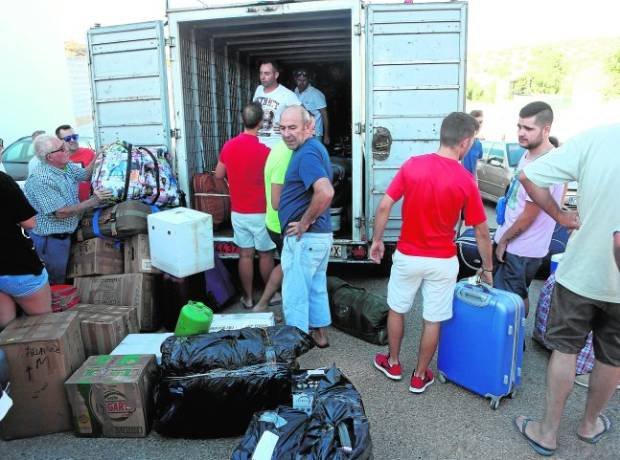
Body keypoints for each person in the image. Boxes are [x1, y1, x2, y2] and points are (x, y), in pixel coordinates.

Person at [513, 123, 620, 456]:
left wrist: (560, 214)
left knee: (565, 349)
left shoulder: (598, 138)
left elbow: (529, 176)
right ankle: (590, 424)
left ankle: (547, 432)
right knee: (612, 356)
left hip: (581, 272)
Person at [371, 112, 493, 394]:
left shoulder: (413, 166)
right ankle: (419, 375)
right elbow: (482, 231)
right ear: (464, 142)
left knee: (397, 309)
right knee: (432, 319)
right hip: (442, 261)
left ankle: (393, 362)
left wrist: (377, 240)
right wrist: (487, 269)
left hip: (408, 255)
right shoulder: (465, 180)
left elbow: (384, 206)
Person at [493, 102, 563, 318]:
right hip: (515, 241)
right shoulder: (529, 154)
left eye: (529, 129)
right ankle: (511, 342)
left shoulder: (546, 165)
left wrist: (504, 241)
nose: (521, 133)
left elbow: (530, 215)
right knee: (514, 294)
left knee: (510, 301)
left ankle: (513, 345)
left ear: (546, 129)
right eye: (519, 126)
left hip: (522, 247)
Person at [278, 106, 334, 348]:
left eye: (292, 127)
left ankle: (294, 346)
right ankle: (320, 335)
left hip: (306, 239)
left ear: (309, 127)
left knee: (295, 295)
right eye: (282, 128)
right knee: (315, 288)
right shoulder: (310, 148)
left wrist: (304, 222)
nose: (287, 133)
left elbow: (325, 191)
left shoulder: (307, 154)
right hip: (318, 238)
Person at [24, 135, 111, 284]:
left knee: (66, 276)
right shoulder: (41, 179)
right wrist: (93, 201)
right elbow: (60, 213)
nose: (68, 149)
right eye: (62, 148)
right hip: (51, 241)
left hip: (66, 234)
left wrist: (99, 155)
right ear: (50, 157)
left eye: (64, 145)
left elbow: (85, 174)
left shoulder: (65, 165)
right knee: (55, 281)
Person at [215, 102, 276, 308]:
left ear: (243, 120)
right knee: (266, 254)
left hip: (238, 211)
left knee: (245, 255)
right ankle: (271, 295)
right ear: (260, 123)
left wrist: (231, 187)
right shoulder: (266, 151)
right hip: (261, 211)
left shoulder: (229, 146)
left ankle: (248, 298)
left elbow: (218, 175)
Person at [0, 170, 52, 329]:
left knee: (8, 331)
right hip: (16, 264)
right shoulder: (2, 181)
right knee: (45, 326)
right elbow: (29, 223)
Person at [252, 140, 293, 312]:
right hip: (282, 223)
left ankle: (263, 304)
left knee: (287, 263)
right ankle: (265, 305)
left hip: (275, 222)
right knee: (289, 265)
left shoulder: (278, 148)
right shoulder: (286, 155)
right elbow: (277, 201)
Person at [253, 60, 300, 148]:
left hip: (276, 147)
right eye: (261, 73)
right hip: (257, 145)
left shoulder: (287, 94)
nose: (263, 77)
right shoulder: (258, 89)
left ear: (276, 75)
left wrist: (286, 126)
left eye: (267, 73)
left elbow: (303, 115)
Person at [294, 68, 330, 145]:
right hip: (300, 133)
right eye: (299, 80)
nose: (301, 83)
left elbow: (325, 116)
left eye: (304, 80)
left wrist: (326, 135)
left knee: (314, 155)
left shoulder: (316, 94)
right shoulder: (296, 91)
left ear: (308, 80)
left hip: (315, 134)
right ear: (295, 80)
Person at [461, 109, 483, 177]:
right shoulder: (460, 141)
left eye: (480, 122)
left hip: (470, 183)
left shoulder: (478, 144)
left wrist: (475, 184)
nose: (478, 126)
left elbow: (475, 168)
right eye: (476, 122)